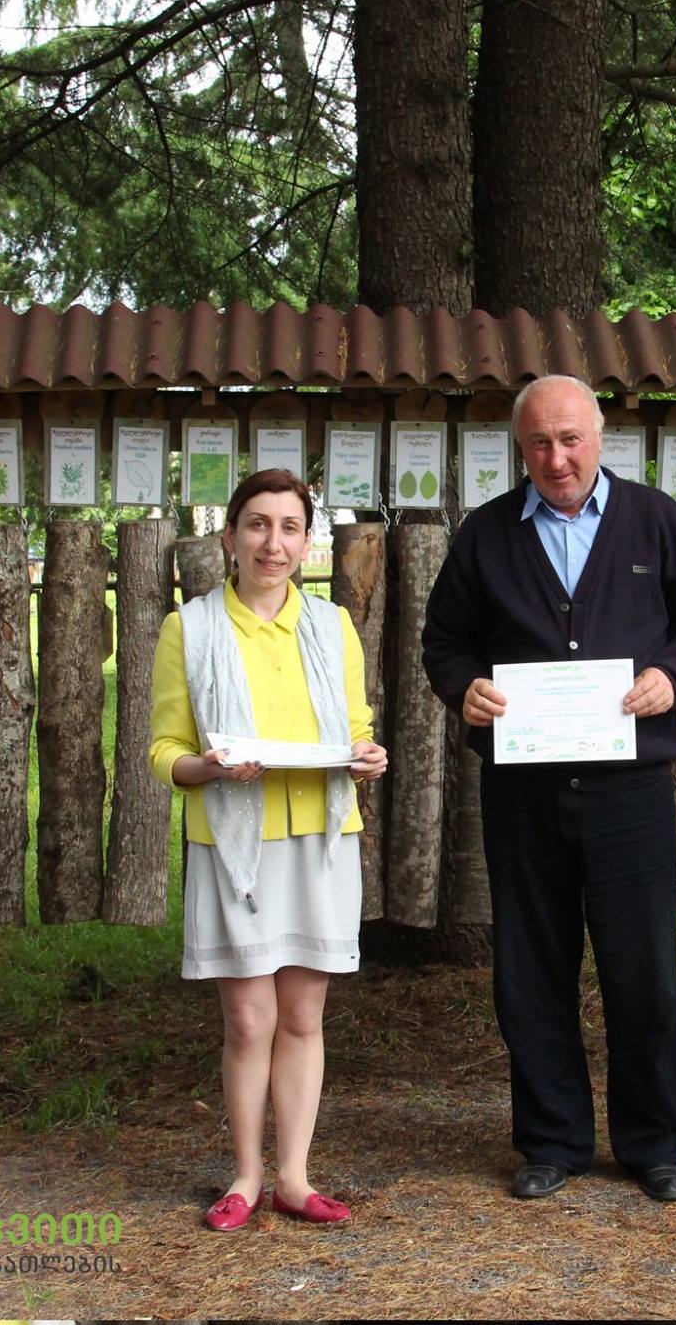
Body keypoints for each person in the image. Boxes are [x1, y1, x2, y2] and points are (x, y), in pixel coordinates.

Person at [422, 374, 676, 1203]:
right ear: (519, 448)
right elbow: (444, 642)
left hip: (630, 790)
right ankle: (552, 1140)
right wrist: (465, 688)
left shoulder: (656, 521)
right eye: (539, 443)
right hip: (523, 793)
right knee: (530, 968)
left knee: (643, 970)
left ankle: (655, 1142)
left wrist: (673, 676)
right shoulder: (487, 534)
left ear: (599, 438)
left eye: (570, 440)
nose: (556, 458)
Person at [149, 467, 388, 1232]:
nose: (273, 543)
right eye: (257, 524)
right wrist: (207, 768)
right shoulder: (190, 628)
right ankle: (246, 1177)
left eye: (289, 527)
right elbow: (164, 749)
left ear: (307, 540)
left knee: (303, 1017)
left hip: (320, 841)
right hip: (234, 844)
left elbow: (355, 726)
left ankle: (294, 1177)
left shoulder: (332, 626)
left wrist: (367, 756)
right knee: (250, 1020)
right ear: (230, 536)